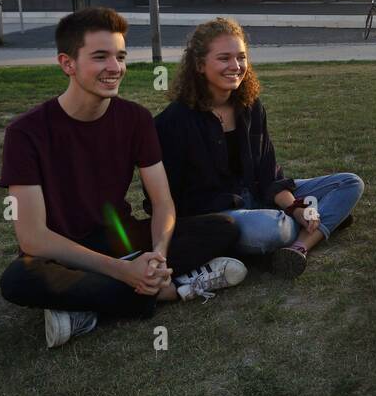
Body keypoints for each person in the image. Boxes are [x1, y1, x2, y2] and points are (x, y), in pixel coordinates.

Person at [0, 9, 244, 349]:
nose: (115, 68)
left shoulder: (136, 119)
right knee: (18, 279)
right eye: (100, 57)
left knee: (224, 227)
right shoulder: (26, 133)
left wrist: (157, 255)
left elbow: (163, 202)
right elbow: (33, 238)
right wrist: (122, 271)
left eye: (120, 56)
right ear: (68, 63)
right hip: (62, 255)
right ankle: (169, 292)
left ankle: (87, 311)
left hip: (121, 240)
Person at [154, 17, 364, 280]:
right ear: (199, 65)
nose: (236, 66)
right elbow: (168, 199)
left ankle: (300, 246)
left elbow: (268, 172)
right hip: (220, 216)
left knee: (349, 183)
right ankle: (315, 224)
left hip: (259, 194)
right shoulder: (174, 121)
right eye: (224, 58)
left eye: (241, 57)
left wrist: (296, 207)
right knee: (276, 230)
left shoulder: (250, 106)